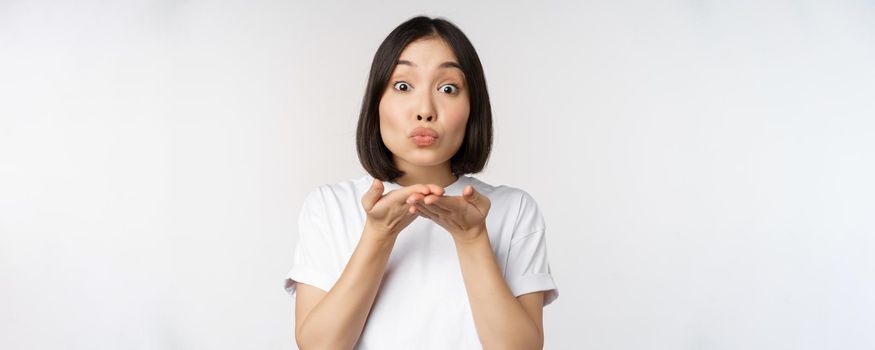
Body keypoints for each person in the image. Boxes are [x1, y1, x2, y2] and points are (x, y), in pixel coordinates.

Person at [283, 15, 559, 349]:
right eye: (403, 86)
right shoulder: (330, 205)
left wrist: (472, 239)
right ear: (376, 103)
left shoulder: (513, 209)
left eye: (448, 88)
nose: (425, 110)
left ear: (473, 107)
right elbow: (319, 346)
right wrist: (378, 235)